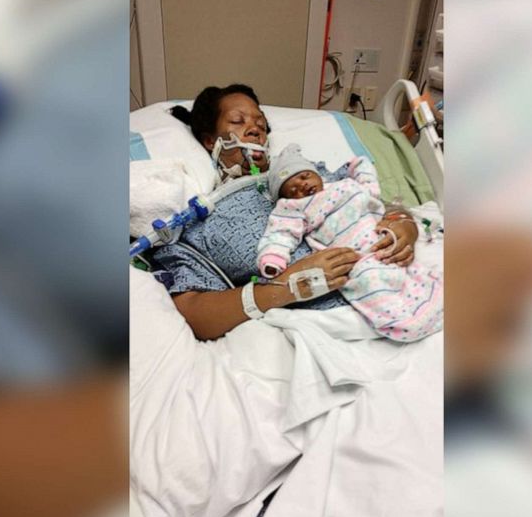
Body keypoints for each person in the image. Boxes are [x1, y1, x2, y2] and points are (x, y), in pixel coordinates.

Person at [156, 84, 420, 340]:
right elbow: (193, 312)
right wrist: (285, 287)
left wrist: (404, 224)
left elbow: (372, 199)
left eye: (261, 125)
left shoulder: (305, 173)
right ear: (210, 140)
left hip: (402, 286)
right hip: (333, 327)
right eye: (238, 121)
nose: (255, 130)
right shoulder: (199, 218)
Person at [257, 146, 442, 342]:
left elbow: (370, 186)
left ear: (315, 173)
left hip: (383, 238)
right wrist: (273, 257)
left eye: (304, 176)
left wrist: (358, 165)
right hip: (357, 257)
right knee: (372, 285)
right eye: (293, 190)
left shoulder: (345, 185)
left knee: (412, 268)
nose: (302, 186)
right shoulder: (294, 207)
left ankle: (438, 302)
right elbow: (281, 232)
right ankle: (406, 324)